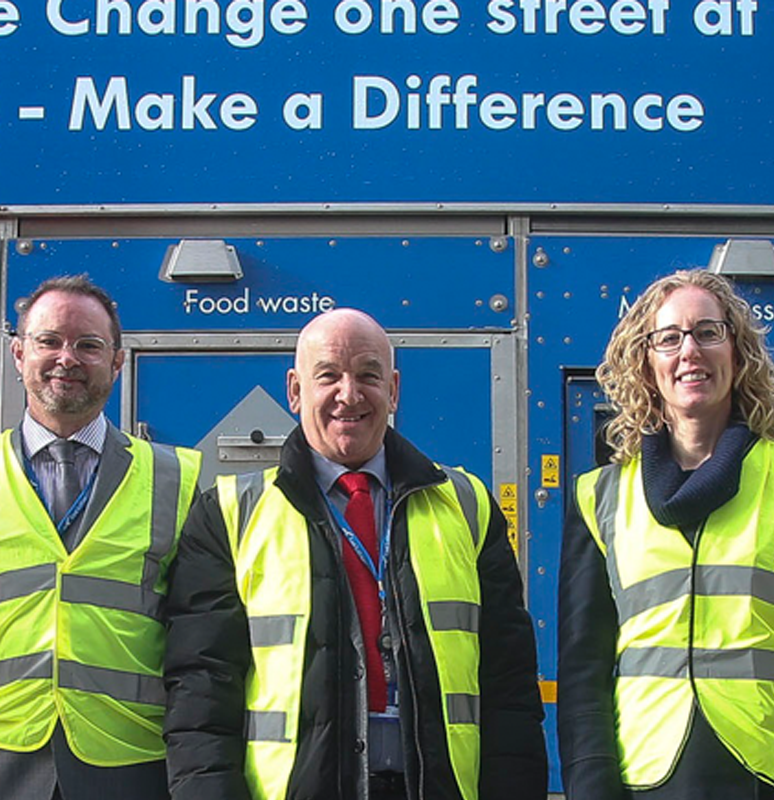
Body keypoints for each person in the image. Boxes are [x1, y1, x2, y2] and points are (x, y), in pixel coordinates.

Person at [164, 307, 548, 800]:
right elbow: (201, 691)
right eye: (328, 376)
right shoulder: (229, 515)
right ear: (295, 390)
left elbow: (508, 685)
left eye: (368, 375)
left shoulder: (467, 505)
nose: (350, 394)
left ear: (394, 389)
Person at [558, 268, 774, 800]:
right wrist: (592, 785)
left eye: (708, 332)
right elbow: (584, 670)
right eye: (669, 338)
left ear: (737, 352)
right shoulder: (598, 496)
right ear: (646, 363)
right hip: (645, 774)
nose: (689, 351)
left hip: (772, 771)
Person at [0, 275, 201, 800]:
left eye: (88, 345)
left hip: (133, 767)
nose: (67, 357)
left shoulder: (178, 480)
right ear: (19, 354)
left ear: (117, 362)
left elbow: (204, 650)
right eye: (49, 341)